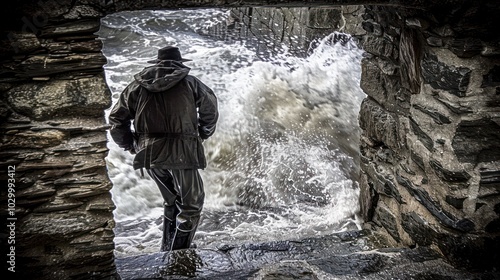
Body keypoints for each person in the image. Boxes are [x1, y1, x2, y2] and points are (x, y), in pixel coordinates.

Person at [108, 46, 218, 251]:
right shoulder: (191, 83)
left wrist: (131, 144)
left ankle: (166, 250)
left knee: (171, 201)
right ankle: (178, 254)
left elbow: (116, 119)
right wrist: (202, 134)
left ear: (157, 63)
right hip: (183, 152)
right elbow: (210, 111)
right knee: (191, 206)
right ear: (179, 63)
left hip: (149, 152)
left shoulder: (136, 86)